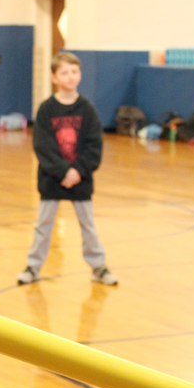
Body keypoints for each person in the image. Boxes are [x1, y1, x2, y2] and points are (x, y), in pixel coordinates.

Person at [17, 51, 118, 286]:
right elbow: (43, 146)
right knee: (43, 226)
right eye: (64, 72)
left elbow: (95, 145)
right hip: (53, 179)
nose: (70, 77)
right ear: (54, 77)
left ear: (79, 75)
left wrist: (78, 171)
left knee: (88, 226)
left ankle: (98, 266)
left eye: (74, 72)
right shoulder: (46, 109)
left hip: (80, 180)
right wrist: (63, 171)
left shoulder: (87, 109)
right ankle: (33, 267)